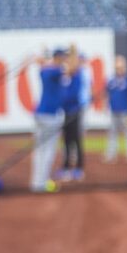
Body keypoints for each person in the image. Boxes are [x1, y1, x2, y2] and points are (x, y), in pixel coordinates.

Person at [30, 48, 68, 192]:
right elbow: (69, 69)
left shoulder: (44, 70)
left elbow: (44, 65)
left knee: (39, 149)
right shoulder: (55, 70)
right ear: (58, 57)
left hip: (40, 113)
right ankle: (42, 182)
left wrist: (42, 60)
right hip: (51, 115)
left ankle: (36, 182)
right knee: (48, 151)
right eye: (63, 57)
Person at [58, 51, 85, 182]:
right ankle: (66, 167)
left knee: (76, 141)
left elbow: (72, 96)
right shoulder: (64, 79)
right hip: (65, 113)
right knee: (67, 142)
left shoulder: (77, 77)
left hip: (74, 113)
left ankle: (79, 168)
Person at [104, 55, 127, 163]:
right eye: (117, 67)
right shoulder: (111, 80)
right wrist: (106, 106)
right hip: (114, 111)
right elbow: (107, 94)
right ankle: (111, 155)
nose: (119, 70)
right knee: (112, 134)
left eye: (121, 67)